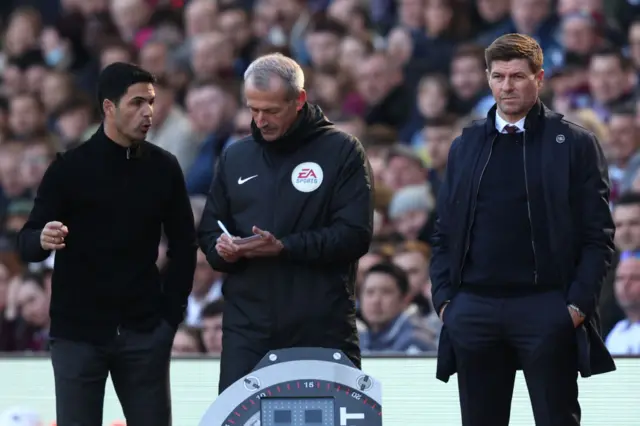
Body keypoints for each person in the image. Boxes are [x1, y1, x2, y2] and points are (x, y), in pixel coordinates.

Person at [430, 33, 616, 426]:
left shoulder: (574, 143)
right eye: (498, 76)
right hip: (474, 309)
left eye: (517, 76)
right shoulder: (465, 144)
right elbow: (445, 230)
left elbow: (597, 235)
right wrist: (447, 302)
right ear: (487, 78)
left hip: (546, 307)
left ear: (540, 78)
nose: (507, 85)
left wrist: (575, 307)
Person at [17, 62, 197, 426]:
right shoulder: (69, 168)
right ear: (109, 107)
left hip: (144, 333)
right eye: (136, 103)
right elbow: (26, 243)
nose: (148, 112)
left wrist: (169, 318)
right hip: (77, 337)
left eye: (151, 101)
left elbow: (184, 246)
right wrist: (42, 238)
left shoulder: (164, 168)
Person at [198, 53, 373, 393]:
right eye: (253, 109)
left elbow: (355, 235)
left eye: (272, 110)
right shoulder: (236, 156)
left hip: (321, 325)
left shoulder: (342, 151)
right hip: (248, 329)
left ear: (299, 100)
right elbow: (209, 229)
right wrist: (223, 251)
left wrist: (284, 247)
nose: (261, 120)